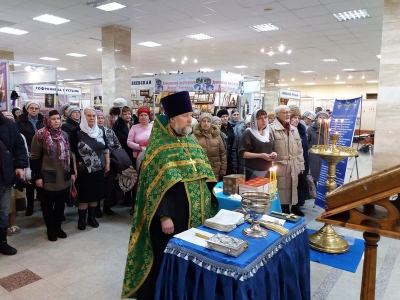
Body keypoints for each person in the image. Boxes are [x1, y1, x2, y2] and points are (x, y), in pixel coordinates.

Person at [122, 91, 217, 299]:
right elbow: (155, 187)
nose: (190, 119)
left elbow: (206, 174)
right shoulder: (159, 148)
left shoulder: (191, 142)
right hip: (173, 217)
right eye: (185, 116)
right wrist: (164, 217)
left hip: (195, 212)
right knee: (168, 257)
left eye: (191, 115)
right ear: (172, 119)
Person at [30, 110, 74, 241]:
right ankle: (51, 229)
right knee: (48, 206)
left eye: (58, 119)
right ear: (47, 120)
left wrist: (71, 172)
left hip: (63, 174)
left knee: (60, 205)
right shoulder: (40, 135)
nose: (56, 121)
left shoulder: (64, 134)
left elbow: (69, 154)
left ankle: (58, 227)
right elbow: (34, 157)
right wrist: (37, 176)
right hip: (47, 176)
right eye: (53, 119)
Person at [69, 107, 110, 230]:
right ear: (83, 116)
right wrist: (73, 168)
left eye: (94, 116)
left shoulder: (100, 130)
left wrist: (107, 163)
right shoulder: (76, 132)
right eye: (89, 115)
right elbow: (72, 152)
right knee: (84, 195)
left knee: (96, 194)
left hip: (99, 168)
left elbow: (106, 148)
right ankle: (82, 219)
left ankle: (91, 218)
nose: (92, 118)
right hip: (83, 170)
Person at [0, 111, 29, 255]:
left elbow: (19, 146)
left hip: (4, 176)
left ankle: (2, 242)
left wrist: (19, 165)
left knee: (3, 211)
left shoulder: (8, 124)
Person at [269, 105, 305, 216]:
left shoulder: (294, 129)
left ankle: (291, 210)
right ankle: (282, 214)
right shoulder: (271, 129)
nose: (288, 114)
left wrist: (301, 165)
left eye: (289, 112)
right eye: (285, 112)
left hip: (294, 166)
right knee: (281, 193)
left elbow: (300, 149)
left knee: (293, 190)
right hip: (280, 166)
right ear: (277, 114)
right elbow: (269, 149)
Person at [16, 100, 44, 216]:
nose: (34, 110)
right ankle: (30, 206)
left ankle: (43, 203)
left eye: (36, 108)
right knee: (30, 182)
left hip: (42, 154)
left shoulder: (43, 120)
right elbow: (19, 139)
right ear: (27, 109)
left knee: (42, 179)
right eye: (31, 108)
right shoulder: (20, 121)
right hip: (28, 154)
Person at [96, 110, 122, 216]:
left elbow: (118, 145)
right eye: (98, 118)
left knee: (109, 185)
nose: (101, 120)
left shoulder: (109, 131)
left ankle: (107, 205)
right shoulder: (91, 132)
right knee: (98, 186)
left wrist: (113, 154)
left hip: (111, 162)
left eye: (102, 118)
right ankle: (96, 208)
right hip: (96, 163)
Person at [238, 110, 277, 180]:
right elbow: (242, 153)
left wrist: (274, 153)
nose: (264, 120)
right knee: (256, 190)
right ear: (254, 120)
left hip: (268, 169)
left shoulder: (268, 133)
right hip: (253, 169)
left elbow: (272, 148)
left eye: (265, 117)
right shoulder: (248, 133)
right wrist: (260, 155)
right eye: (260, 118)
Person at [192, 112, 227, 181]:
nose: (206, 123)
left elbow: (222, 154)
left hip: (215, 171)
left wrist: (223, 170)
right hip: (200, 172)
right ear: (200, 122)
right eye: (204, 121)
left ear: (211, 123)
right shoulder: (193, 137)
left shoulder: (216, 136)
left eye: (208, 121)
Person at [113, 105, 135, 207]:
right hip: (124, 153)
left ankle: (130, 198)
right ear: (121, 115)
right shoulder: (117, 125)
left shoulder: (134, 123)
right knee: (125, 175)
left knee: (133, 175)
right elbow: (118, 139)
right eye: (125, 114)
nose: (127, 116)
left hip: (134, 153)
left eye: (129, 114)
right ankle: (124, 197)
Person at [290, 108, 309, 207]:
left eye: (298, 118)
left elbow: (304, 147)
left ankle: (299, 202)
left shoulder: (302, 129)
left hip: (304, 160)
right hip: (293, 162)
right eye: (294, 118)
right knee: (294, 184)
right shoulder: (288, 130)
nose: (296, 120)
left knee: (301, 182)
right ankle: (294, 205)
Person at [307, 111, 330, 186]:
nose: (322, 119)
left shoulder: (329, 130)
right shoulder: (310, 129)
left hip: (325, 156)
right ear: (317, 118)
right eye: (320, 117)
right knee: (313, 178)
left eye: (324, 118)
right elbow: (306, 143)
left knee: (323, 177)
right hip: (313, 157)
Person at [217, 109, 235, 174]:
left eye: (226, 116)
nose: (225, 118)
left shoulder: (231, 127)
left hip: (231, 156)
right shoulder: (218, 129)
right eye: (222, 117)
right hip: (222, 156)